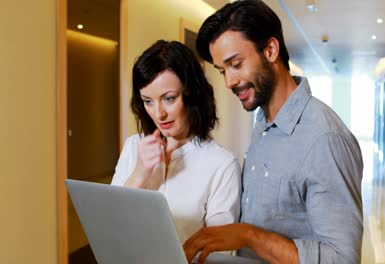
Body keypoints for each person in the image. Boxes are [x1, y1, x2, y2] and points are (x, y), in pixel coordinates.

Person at [183, 1, 363, 263]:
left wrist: (249, 236)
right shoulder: (262, 121)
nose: (229, 82)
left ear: (270, 49)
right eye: (222, 71)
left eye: (236, 64)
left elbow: (342, 259)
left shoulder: (325, 138)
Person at [111, 40, 241, 244]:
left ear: (192, 94)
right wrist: (139, 174)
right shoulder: (133, 147)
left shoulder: (222, 164)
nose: (159, 113)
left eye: (169, 98)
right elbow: (110, 225)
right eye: (148, 101)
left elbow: (218, 252)